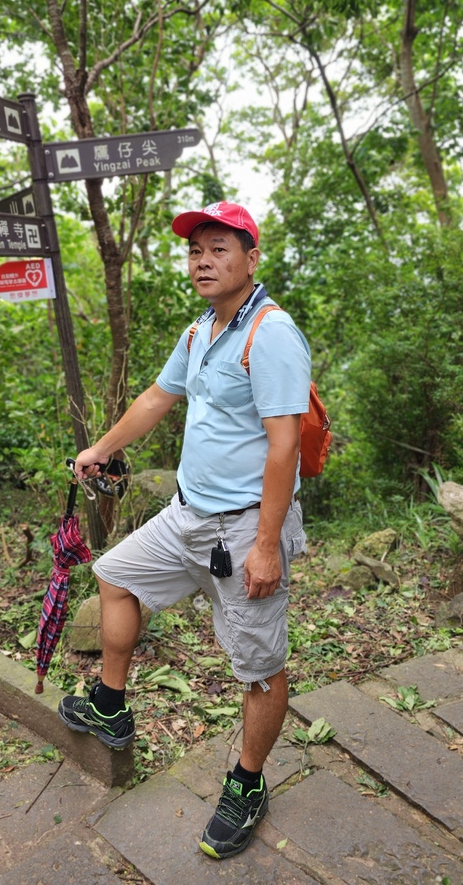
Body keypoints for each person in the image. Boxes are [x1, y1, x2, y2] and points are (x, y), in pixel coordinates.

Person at [58, 201, 311, 859]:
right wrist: (101, 449)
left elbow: (283, 449)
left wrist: (264, 546)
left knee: (258, 668)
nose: (203, 259)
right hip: (187, 513)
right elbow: (156, 398)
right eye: (196, 249)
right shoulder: (202, 329)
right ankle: (111, 705)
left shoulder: (271, 334)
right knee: (114, 575)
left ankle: (248, 783)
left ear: (251, 259)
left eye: (219, 248)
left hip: (245, 528)